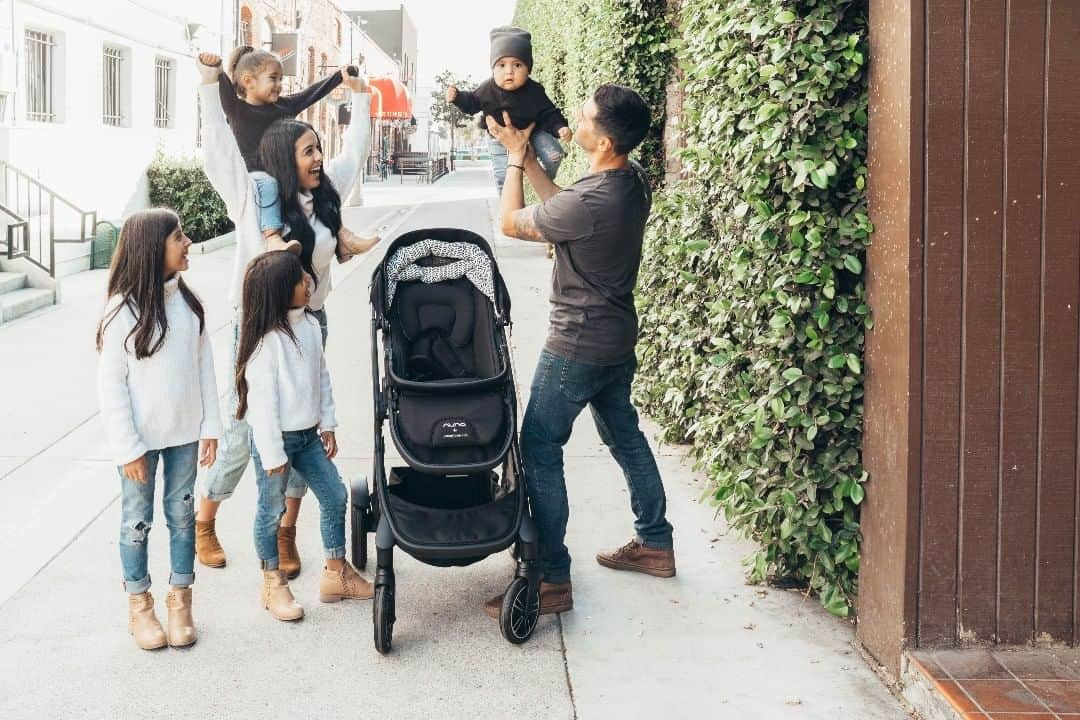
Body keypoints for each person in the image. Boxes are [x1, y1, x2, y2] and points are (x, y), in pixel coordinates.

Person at [483, 85, 676, 618]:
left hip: (576, 344)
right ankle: (656, 542)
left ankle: (550, 578)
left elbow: (509, 223)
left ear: (605, 140)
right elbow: (565, 205)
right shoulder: (630, 181)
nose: (577, 119)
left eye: (586, 117)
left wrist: (513, 168)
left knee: (539, 448)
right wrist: (524, 154)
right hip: (615, 338)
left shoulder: (593, 201)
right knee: (624, 436)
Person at [194, 52, 376, 578]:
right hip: (255, 323)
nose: (318, 158)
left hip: (309, 321)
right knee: (240, 434)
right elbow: (218, 155)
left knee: (304, 428)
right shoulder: (253, 198)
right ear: (282, 156)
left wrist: (361, 97)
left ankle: (285, 530)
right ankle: (206, 518)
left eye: (318, 149)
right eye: (307, 151)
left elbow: (356, 152)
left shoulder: (324, 196)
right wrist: (210, 87)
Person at [96, 209, 222, 649]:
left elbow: (204, 368)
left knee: (182, 517)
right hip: (140, 444)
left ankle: (180, 601)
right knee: (136, 522)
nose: (187, 242)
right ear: (153, 249)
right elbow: (111, 388)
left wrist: (211, 426)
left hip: (184, 434)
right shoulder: (121, 312)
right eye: (178, 237)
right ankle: (140, 606)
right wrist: (127, 447)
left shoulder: (189, 306)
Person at [235, 251, 372, 621]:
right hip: (274, 442)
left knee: (334, 494)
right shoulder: (267, 342)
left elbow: (320, 377)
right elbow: (262, 408)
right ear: (280, 291)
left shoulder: (310, 326)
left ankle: (335, 572)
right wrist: (275, 456)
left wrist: (327, 423)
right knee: (270, 512)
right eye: (298, 280)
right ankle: (273, 581)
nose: (307, 282)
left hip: (309, 437)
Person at [218, 45, 376, 261]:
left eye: (281, 79)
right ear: (248, 81)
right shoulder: (238, 111)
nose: (279, 85)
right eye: (273, 78)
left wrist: (339, 77)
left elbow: (310, 94)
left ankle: (342, 235)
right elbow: (222, 90)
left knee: (323, 186)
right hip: (260, 176)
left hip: (289, 172)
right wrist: (215, 68)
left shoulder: (284, 106)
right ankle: (273, 236)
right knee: (269, 185)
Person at [447, 26, 572, 195]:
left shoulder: (534, 90)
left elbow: (549, 112)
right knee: (502, 176)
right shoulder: (487, 89)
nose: (509, 71)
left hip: (534, 132)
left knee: (554, 155)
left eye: (518, 65)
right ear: (493, 69)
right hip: (498, 139)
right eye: (501, 65)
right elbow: (472, 103)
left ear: (528, 69)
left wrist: (560, 127)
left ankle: (539, 181)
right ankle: (506, 207)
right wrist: (457, 97)